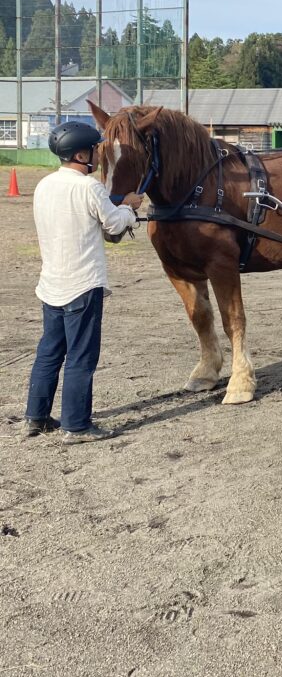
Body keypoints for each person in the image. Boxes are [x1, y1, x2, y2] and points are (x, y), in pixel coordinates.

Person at [24, 121, 142, 444]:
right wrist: (130, 208)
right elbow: (114, 224)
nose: (96, 155)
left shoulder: (44, 186)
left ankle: (36, 416)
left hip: (51, 283)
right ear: (80, 153)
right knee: (81, 356)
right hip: (83, 283)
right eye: (93, 150)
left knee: (49, 351)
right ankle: (76, 426)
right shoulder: (89, 188)